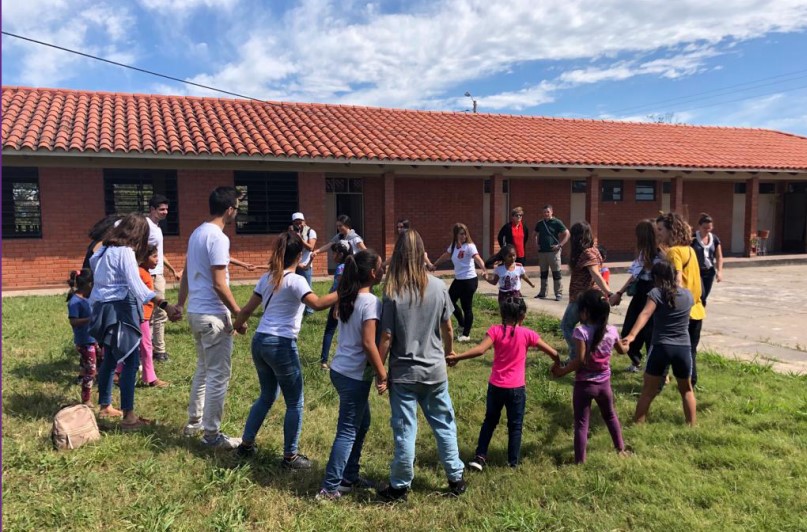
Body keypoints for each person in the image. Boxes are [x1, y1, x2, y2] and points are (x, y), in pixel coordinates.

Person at [232, 231, 338, 467]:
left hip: (260, 341)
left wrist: (237, 326)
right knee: (295, 402)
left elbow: (247, 309)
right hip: (281, 345)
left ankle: (246, 445)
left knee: (267, 395)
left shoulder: (267, 277)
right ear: (299, 255)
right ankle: (290, 456)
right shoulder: (297, 281)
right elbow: (317, 304)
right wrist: (347, 290)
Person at [376, 230, 466, 501]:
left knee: (405, 430)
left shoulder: (392, 291)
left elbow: (387, 336)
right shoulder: (439, 287)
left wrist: (380, 371)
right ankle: (456, 477)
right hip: (435, 371)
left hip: (404, 374)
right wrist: (449, 352)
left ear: (399, 254)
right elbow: (448, 327)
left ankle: (400, 486)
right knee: (444, 425)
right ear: (422, 254)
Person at [89, 213, 181, 430]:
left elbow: (94, 261)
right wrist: (165, 305)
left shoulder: (103, 250)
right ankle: (129, 416)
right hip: (121, 308)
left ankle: (105, 405)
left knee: (110, 357)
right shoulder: (125, 252)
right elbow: (137, 286)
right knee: (130, 360)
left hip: (102, 309)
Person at [446, 297, 559, 470]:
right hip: (516, 389)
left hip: (496, 387)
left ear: (502, 313)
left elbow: (480, 350)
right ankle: (512, 463)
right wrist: (557, 364)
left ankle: (480, 457)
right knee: (515, 426)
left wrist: (458, 357)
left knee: (490, 421)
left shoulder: (495, 331)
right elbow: (554, 352)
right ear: (523, 316)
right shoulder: (528, 334)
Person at [317, 250, 388, 500]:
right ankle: (330, 487)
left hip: (340, 370)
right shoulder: (371, 302)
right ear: (373, 273)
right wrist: (382, 374)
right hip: (354, 376)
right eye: (381, 267)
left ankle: (349, 476)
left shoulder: (348, 297)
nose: (384, 270)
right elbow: (369, 343)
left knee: (362, 422)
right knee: (347, 430)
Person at [177, 187, 244, 449]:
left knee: (204, 369)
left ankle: (194, 423)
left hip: (196, 313)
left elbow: (186, 272)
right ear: (229, 210)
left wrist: (180, 303)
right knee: (218, 376)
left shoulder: (197, 233)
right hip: (213, 316)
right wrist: (239, 313)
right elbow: (219, 283)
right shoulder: (218, 237)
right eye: (237, 208)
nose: (237, 212)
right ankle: (212, 435)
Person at [551, 289, 629, 464]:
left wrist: (562, 371)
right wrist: (627, 345)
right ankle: (620, 449)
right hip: (604, 385)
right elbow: (622, 350)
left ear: (585, 312)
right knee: (610, 415)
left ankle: (580, 462)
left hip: (584, 386)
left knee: (581, 424)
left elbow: (579, 361)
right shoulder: (612, 331)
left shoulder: (581, 332)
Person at [622, 261, 697, 425]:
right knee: (686, 390)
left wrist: (632, 335)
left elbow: (645, 313)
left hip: (660, 347)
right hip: (683, 348)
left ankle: (637, 425)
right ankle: (692, 426)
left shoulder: (656, 293)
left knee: (648, 391)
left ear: (656, 278)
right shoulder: (688, 295)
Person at [656, 212, 705, 387]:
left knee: (666, 346)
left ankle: (659, 380)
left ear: (671, 231)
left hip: (680, 311)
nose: (658, 234)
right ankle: (690, 384)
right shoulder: (690, 250)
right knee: (690, 350)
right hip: (696, 309)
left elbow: (676, 278)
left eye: (661, 230)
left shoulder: (674, 252)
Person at [609, 220, 662, 372]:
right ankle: (636, 360)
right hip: (640, 292)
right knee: (628, 329)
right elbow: (634, 275)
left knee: (649, 333)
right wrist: (619, 293)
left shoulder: (661, 255)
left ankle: (653, 368)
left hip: (654, 292)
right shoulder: (642, 253)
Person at [114, 245, 169, 388]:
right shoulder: (139, 273)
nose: (157, 260)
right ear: (143, 258)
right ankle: (150, 378)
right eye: (154, 256)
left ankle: (117, 372)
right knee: (146, 346)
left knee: (132, 344)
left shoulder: (144, 272)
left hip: (142, 315)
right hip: (140, 316)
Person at [560, 222, 611, 363]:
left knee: (566, 326)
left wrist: (609, 293)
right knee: (587, 329)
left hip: (583, 298)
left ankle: (577, 356)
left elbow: (596, 274)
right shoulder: (592, 251)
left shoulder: (588, 253)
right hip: (584, 296)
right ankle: (588, 356)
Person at [432, 223, 488, 342]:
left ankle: (466, 335)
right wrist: (435, 264)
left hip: (469, 280)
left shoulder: (470, 246)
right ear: (456, 235)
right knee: (449, 302)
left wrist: (484, 269)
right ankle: (462, 323)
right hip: (459, 280)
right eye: (461, 234)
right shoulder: (453, 246)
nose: (464, 236)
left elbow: (477, 258)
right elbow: (445, 256)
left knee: (466, 307)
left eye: (465, 234)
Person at [146, 195, 181, 363]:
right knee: (154, 312)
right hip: (149, 274)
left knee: (158, 313)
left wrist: (172, 269)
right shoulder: (146, 226)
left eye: (167, 209)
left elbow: (158, 253)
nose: (165, 212)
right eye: (161, 209)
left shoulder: (157, 228)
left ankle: (157, 349)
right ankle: (155, 350)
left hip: (158, 274)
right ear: (152, 209)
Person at [67, 269, 103, 406]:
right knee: (91, 371)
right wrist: (90, 319)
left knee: (98, 362)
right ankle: (86, 399)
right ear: (89, 284)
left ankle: (100, 390)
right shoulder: (75, 302)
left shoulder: (87, 299)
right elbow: (73, 321)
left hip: (92, 339)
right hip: (84, 342)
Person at [320, 241, 352, 369]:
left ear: (341, 254)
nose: (332, 255)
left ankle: (324, 361)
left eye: (334, 253)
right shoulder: (351, 266)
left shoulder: (340, 268)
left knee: (330, 330)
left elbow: (339, 289)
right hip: (350, 302)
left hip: (337, 302)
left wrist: (336, 306)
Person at [534, 205, 570, 301]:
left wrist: (560, 245)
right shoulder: (540, 223)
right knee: (543, 273)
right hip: (542, 252)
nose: (546, 214)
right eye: (544, 212)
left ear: (552, 212)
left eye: (548, 212)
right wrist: (536, 244)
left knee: (556, 273)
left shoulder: (557, 222)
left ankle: (558, 293)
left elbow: (567, 233)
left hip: (553, 252)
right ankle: (543, 293)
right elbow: (535, 234)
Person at [692, 213, 724, 306]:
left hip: (709, 272)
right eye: (704, 228)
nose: (707, 230)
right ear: (699, 226)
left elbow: (719, 256)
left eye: (709, 228)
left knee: (705, 295)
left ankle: (701, 311)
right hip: (696, 271)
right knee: (701, 294)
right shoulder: (693, 238)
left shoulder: (714, 239)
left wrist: (719, 271)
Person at [290, 212, 318, 315]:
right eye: (296, 222)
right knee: (294, 287)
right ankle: (297, 309)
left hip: (305, 265)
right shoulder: (291, 232)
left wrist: (300, 239)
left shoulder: (310, 232)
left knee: (306, 287)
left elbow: (311, 247)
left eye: (300, 222)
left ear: (304, 221)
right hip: (293, 265)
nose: (298, 224)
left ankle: (309, 310)